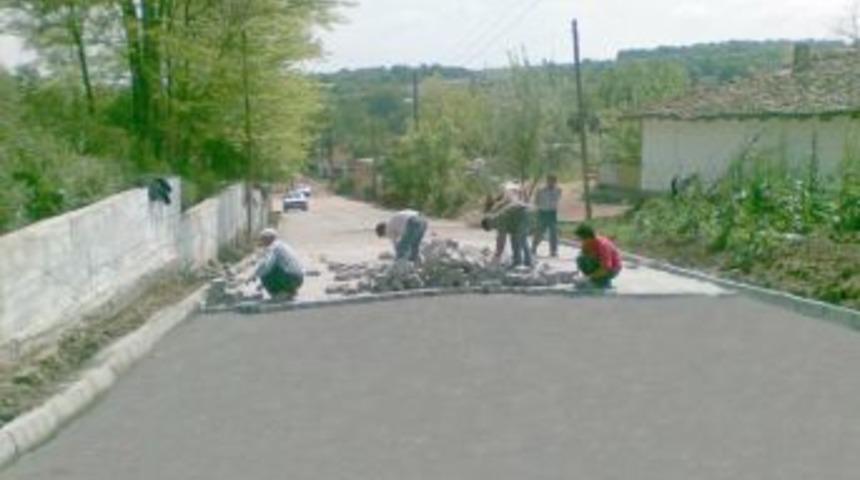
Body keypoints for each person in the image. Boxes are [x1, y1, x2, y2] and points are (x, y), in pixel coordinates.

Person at [251, 228, 304, 299]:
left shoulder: (273, 247)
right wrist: (261, 285)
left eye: (263, 239)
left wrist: (254, 275)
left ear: (269, 239)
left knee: (265, 273)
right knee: (272, 269)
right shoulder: (283, 245)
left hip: (290, 278)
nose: (262, 242)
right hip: (299, 278)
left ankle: (279, 293)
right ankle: (290, 291)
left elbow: (266, 265)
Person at [481, 199, 533, 267]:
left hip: (522, 216)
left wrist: (498, 254)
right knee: (522, 240)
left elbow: (501, 239)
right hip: (527, 213)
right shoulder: (498, 216)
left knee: (515, 240)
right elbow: (500, 237)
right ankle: (528, 261)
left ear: (488, 223)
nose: (493, 228)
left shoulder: (498, 220)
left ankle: (518, 262)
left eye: (490, 228)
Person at [574, 224, 622, 288]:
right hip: (600, 265)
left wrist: (589, 277)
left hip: (612, 269)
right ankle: (594, 279)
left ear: (588, 238)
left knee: (588, 260)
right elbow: (582, 259)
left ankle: (603, 281)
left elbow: (606, 268)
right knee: (581, 258)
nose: (581, 241)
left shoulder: (603, 245)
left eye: (582, 239)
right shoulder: (588, 243)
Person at [532, 174, 562, 257]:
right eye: (550, 181)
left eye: (553, 181)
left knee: (553, 232)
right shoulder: (540, 190)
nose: (551, 183)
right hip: (542, 212)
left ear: (555, 182)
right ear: (547, 181)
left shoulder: (558, 190)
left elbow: (557, 199)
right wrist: (537, 210)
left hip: (552, 213)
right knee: (540, 232)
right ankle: (533, 247)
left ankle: (553, 251)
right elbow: (536, 200)